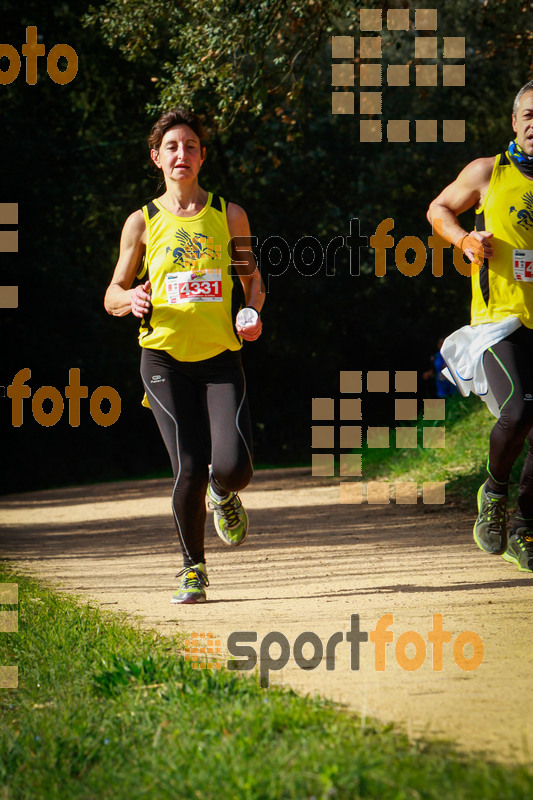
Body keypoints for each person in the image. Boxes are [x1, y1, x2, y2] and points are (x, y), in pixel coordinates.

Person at [104, 108, 264, 602]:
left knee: (235, 468)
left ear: (201, 156)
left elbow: (251, 279)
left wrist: (252, 312)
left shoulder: (229, 214)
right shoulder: (143, 221)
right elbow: (111, 292)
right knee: (189, 466)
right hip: (163, 361)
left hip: (219, 358)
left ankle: (223, 494)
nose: (182, 154)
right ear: (157, 158)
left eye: (190, 146)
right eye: (172, 147)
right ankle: (192, 569)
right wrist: (129, 299)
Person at [427, 79, 533, 573]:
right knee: (517, 411)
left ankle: (524, 528)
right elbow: (439, 209)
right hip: (498, 326)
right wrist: (464, 240)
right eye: (529, 115)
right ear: (514, 122)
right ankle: (493, 493)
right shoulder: (489, 172)